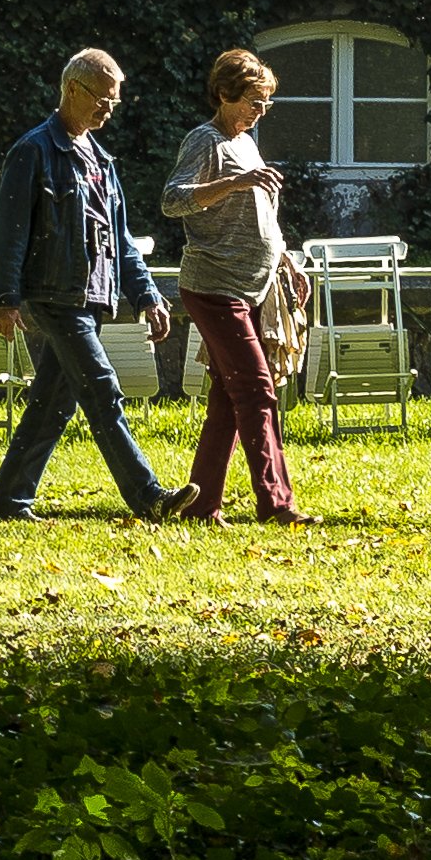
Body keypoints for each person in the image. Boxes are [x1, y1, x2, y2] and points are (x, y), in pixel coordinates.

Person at [0, 48, 183, 522]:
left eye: (114, 102)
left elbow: (121, 239)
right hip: (52, 297)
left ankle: (10, 501)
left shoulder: (102, 161)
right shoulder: (33, 150)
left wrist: (148, 294)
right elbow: (8, 228)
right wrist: (5, 297)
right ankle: (149, 496)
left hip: (93, 297)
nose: (108, 110)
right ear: (73, 89)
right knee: (102, 390)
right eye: (102, 100)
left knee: (51, 405)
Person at [163, 48, 306, 524]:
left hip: (254, 286)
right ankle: (277, 505)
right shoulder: (205, 142)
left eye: (265, 104)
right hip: (213, 286)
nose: (259, 112)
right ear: (224, 94)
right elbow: (172, 200)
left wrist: (286, 260)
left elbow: (262, 212)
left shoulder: (246, 142)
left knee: (228, 400)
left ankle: (202, 506)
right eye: (252, 102)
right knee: (257, 391)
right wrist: (233, 182)